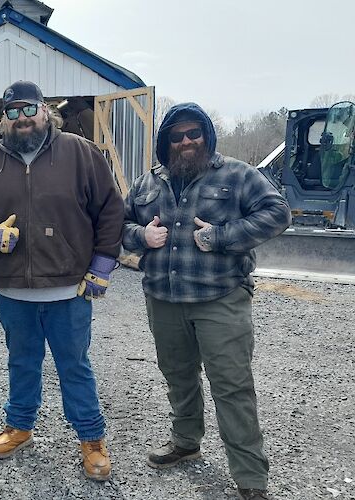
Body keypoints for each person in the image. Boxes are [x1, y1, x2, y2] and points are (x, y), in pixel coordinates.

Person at [0, 80, 124, 481]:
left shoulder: (80, 153)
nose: (22, 118)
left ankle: (92, 438)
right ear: (3, 118)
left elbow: (111, 209)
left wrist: (101, 265)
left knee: (74, 366)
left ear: (45, 110)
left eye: (29, 109)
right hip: (13, 290)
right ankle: (20, 427)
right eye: (13, 112)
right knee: (21, 363)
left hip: (70, 290)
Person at [122, 102, 291, 500]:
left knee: (232, 385)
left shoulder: (236, 174)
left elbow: (278, 212)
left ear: (206, 137)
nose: (185, 142)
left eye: (193, 134)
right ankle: (186, 440)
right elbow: (119, 225)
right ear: (166, 141)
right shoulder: (147, 183)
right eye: (177, 136)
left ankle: (251, 478)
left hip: (220, 298)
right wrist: (140, 237)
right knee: (178, 375)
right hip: (163, 298)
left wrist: (221, 237)